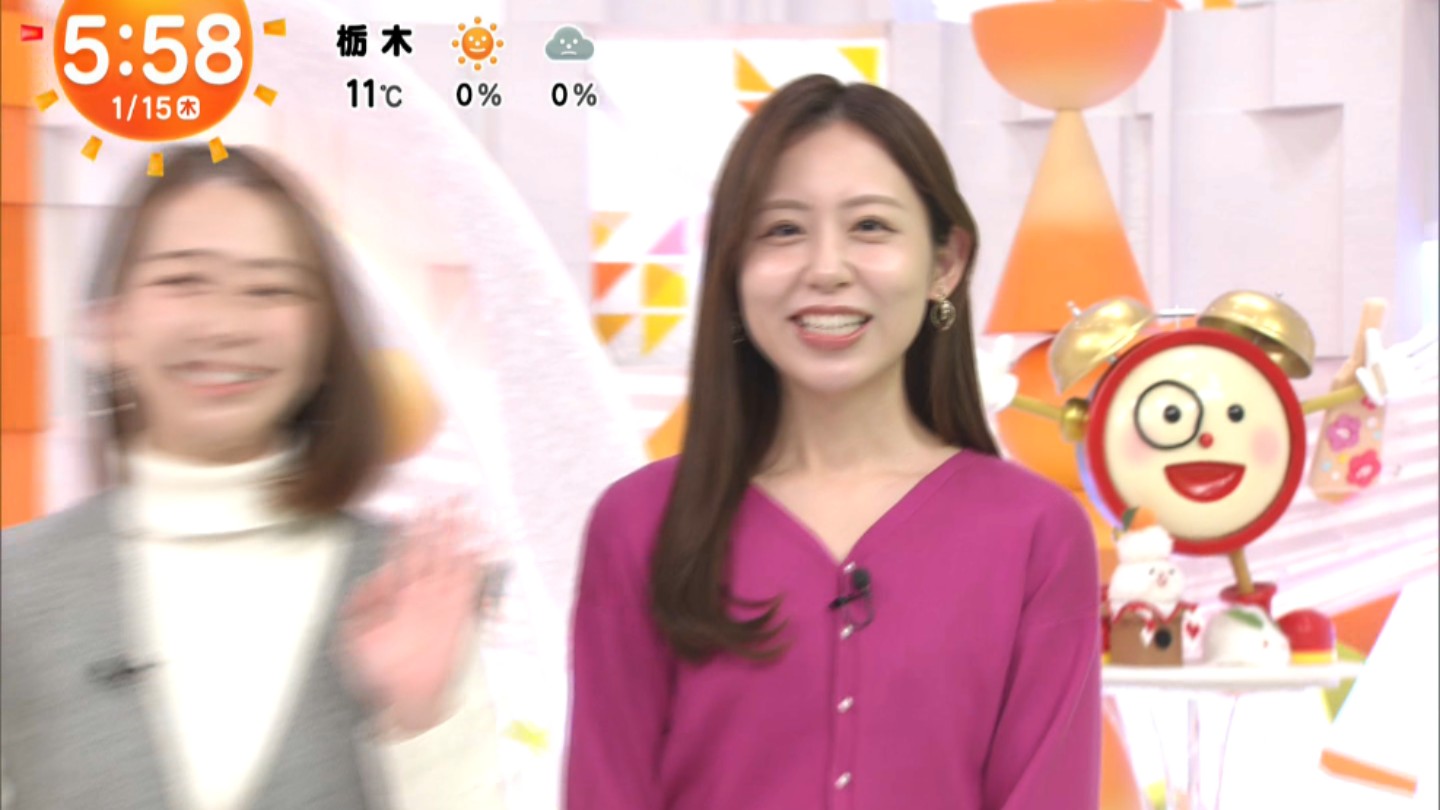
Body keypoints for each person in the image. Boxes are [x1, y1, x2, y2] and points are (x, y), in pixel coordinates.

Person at [565, 74, 1101, 809]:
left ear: (945, 263)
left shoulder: (1037, 533)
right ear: (733, 267)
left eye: (870, 226)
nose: (825, 269)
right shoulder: (639, 525)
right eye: (783, 230)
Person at [1, 145, 502, 809]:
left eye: (270, 290)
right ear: (109, 324)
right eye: (184, 280)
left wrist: (421, 716)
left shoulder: (404, 589)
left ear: (324, 342)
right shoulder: (17, 587)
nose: (225, 324)